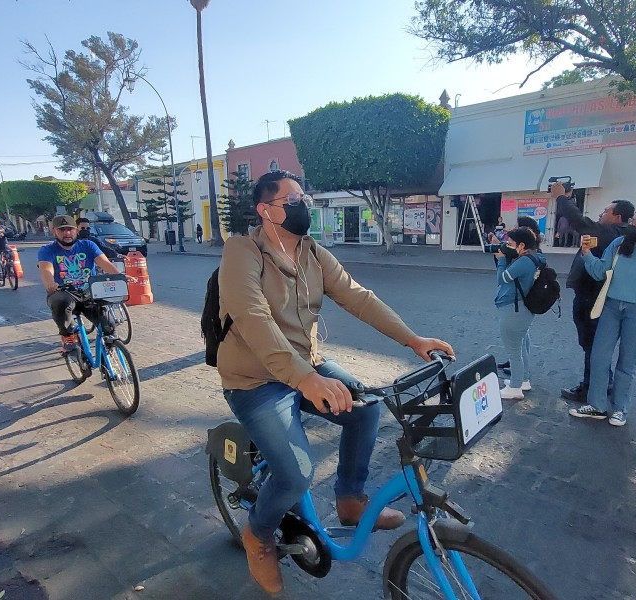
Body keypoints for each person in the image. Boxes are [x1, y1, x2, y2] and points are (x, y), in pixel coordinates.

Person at [217, 170, 454, 594]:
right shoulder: (242, 251)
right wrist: (305, 379)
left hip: (307, 366)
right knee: (296, 474)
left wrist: (411, 338)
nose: (301, 204)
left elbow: (358, 296)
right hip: (255, 380)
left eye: (303, 196)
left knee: (366, 409)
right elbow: (254, 320)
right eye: (291, 198)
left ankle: (350, 500)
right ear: (266, 210)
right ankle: (258, 534)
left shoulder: (311, 252)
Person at [569, 207, 636, 427]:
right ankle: (597, 405)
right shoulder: (620, 244)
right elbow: (600, 271)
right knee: (599, 356)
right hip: (611, 307)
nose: (632, 224)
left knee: (628, 361)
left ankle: (620, 408)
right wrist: (587, 255)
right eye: (633, 220)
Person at [552, 181, 635, 403]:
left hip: (592, 297)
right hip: (594, 295)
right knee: (594, 345)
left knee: (591, 345)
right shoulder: (615, 232)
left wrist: (561, 198)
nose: (601, 213)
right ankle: (602, 382)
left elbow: (579, 221)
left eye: (606, 211)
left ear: (618, 217)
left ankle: (590, 388)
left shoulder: (612, 232)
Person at [37, 215, 129, 352]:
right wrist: (50, 283)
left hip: (89, 293)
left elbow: (105, 263)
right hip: (65, 292)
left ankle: (108, 360)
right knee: (60, 301)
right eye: (62, 230)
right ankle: (67, 335)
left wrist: (119, 276)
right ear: (54, 231)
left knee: (108, 326)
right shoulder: (47, 250)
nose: (67, 233)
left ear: (76, 231)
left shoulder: (88, 245)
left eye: (70, 229)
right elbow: (46, 269)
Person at [492, 227, 545, 400]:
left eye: (511, 243)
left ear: (521, 245)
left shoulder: (524, 262)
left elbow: (503, 278)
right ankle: (523, 380)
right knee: (520, 347)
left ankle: (515, 388)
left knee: (513, 351)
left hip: (514, 309)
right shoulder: (535, 257)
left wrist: (501, 260)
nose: (508, 246)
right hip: (522, 309)